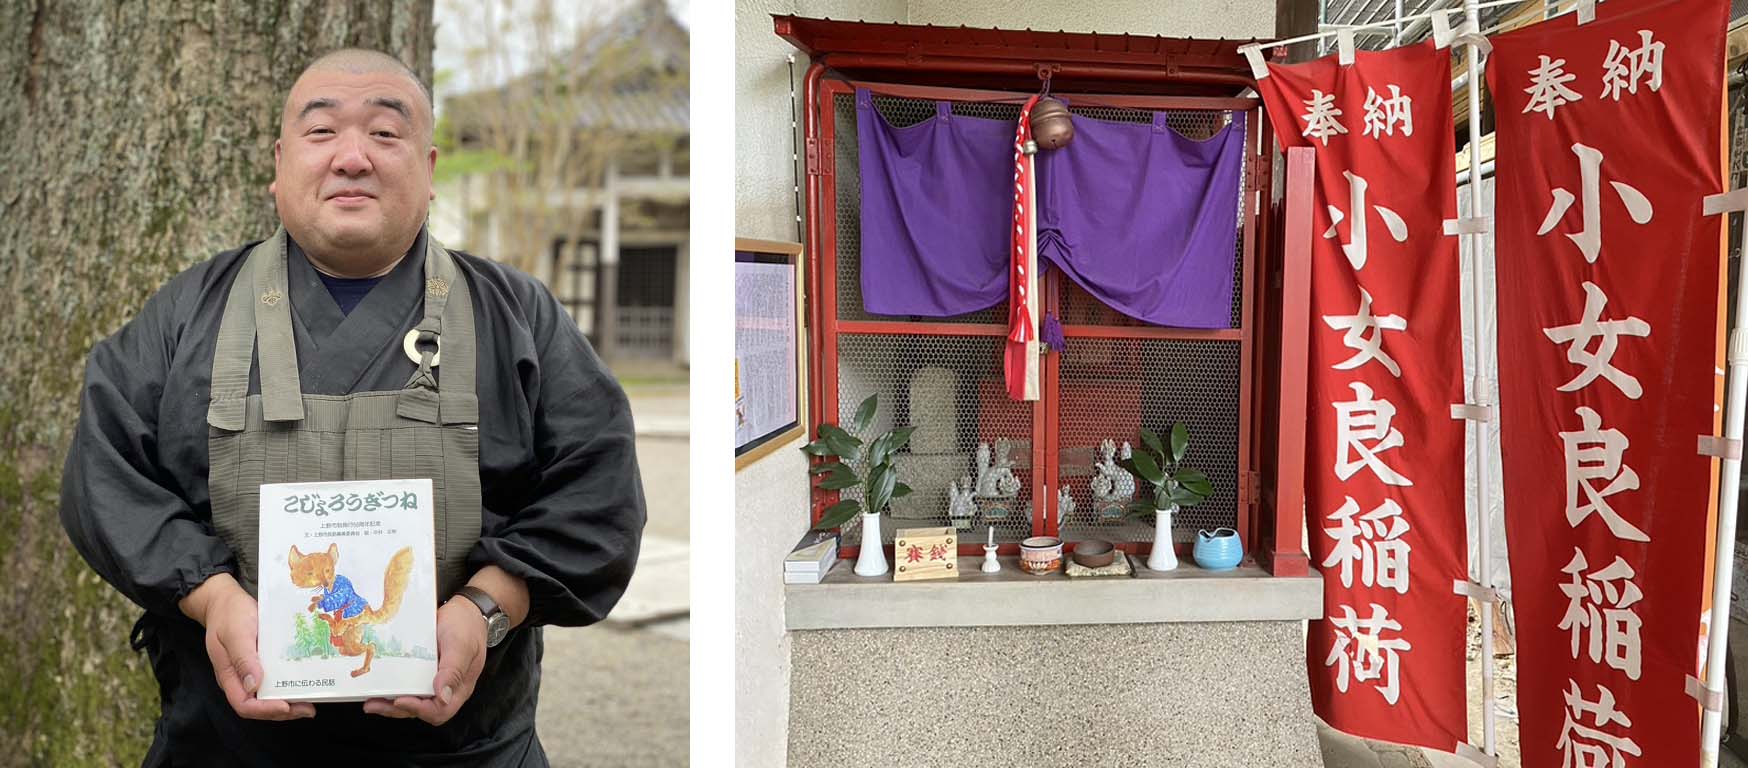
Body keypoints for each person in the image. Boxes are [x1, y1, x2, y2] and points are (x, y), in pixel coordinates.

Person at [58, 47, 646, 764]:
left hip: (466, 748)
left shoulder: (515, 315)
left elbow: (598, 490)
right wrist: (212, 598)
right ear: (279, 167)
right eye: (322, 131)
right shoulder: (189, 314)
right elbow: (105, 473)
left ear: (429, 172)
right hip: (222, 745)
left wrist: (487, 605)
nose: (353, 157)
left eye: (385, 133)